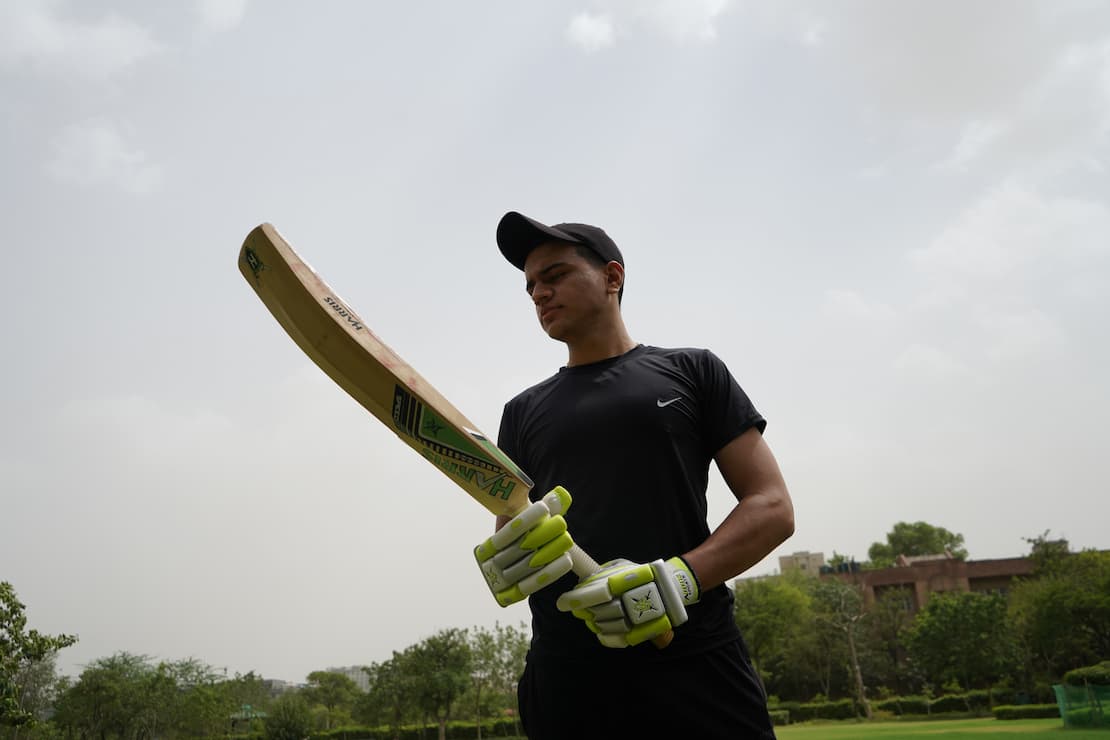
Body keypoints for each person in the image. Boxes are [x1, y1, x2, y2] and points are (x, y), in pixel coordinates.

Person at [473, 211, 795, 739]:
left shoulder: (693, 370)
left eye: (554, 276)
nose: (538, 293)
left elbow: (772, 507)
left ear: (612, 277)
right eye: (530, 285)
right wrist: (511, 556)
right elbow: (516, 529)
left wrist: (676, 581)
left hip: (691, 657)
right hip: (569, 675)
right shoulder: (521, 412)